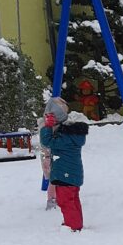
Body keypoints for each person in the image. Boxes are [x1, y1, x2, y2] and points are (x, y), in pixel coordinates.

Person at [39, 97, 88, 231]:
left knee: (66, 201)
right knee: (73, 200)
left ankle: (73, 226)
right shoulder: (72, 135)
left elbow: (47, 142)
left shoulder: (65, 139)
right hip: (72, 174)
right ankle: (75, 222)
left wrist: (48, 126)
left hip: (65, 174)